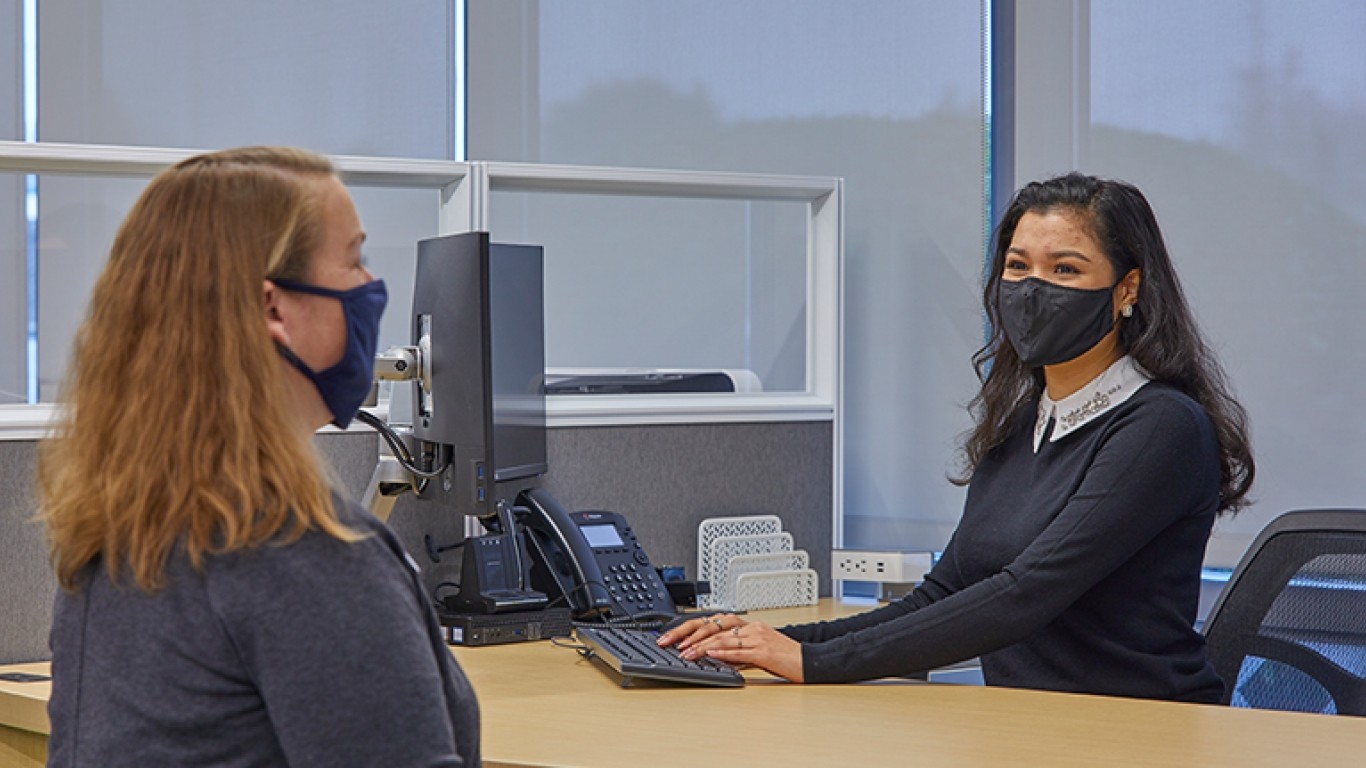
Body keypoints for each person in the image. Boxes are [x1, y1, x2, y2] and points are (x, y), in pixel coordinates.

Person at [660, 172, 1255, 703]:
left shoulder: (1160, 427)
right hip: (1029, 728)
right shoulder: (1027, 418)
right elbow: (943, 594)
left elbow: (1025, 594)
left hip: (1138, 732)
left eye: (1065, 269)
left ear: (1127, 290)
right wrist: (766, 642)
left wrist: (814, 662)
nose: (1032, 288)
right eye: (1017, 267)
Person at [39, 147, 480, 766]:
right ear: (274, 307)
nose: (370, 287)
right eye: (353, 259)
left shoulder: (120, 531)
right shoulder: (306, 556)